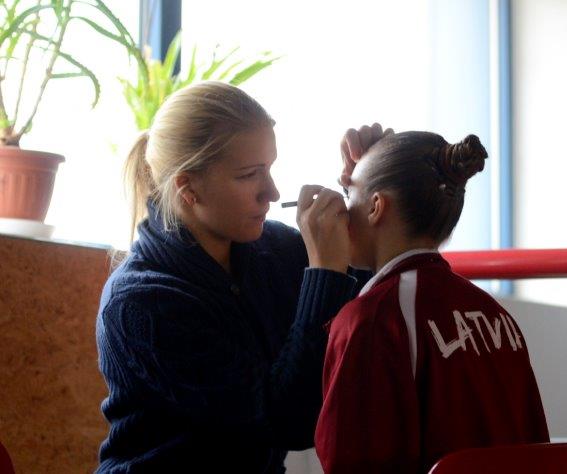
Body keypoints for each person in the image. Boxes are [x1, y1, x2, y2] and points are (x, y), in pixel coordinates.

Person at [95, 80, 380, 473]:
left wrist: (369, 189)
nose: (272, 192)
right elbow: (285, 421)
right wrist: (324, 275)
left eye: (270, 168)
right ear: (188, 188)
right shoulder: (139, 304)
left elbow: (375, 292)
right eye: (249, 175)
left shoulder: (271, 249)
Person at [315, 131, 550, 473]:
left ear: (376, 206)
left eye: (349, 194)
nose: (343, 210)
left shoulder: (371, 318)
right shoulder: (497, 316)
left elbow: (347, 461)